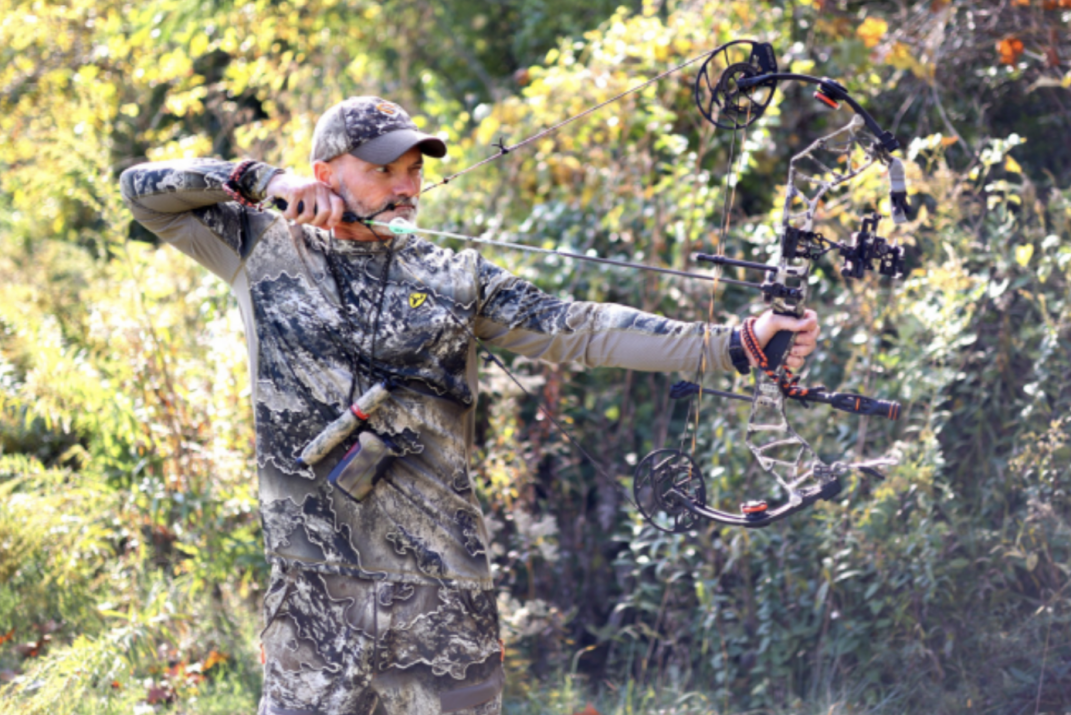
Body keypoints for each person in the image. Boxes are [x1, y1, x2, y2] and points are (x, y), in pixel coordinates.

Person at [119, 96, 820, 715]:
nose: (405, 185)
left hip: (440, 601)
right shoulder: (257, 248)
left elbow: (580, 325)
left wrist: (732, 342)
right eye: (384, 169)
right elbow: (142, 191)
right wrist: (262, 179)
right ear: (325, 173)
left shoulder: (454, 277)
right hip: (313, 595)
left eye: (414, 170)